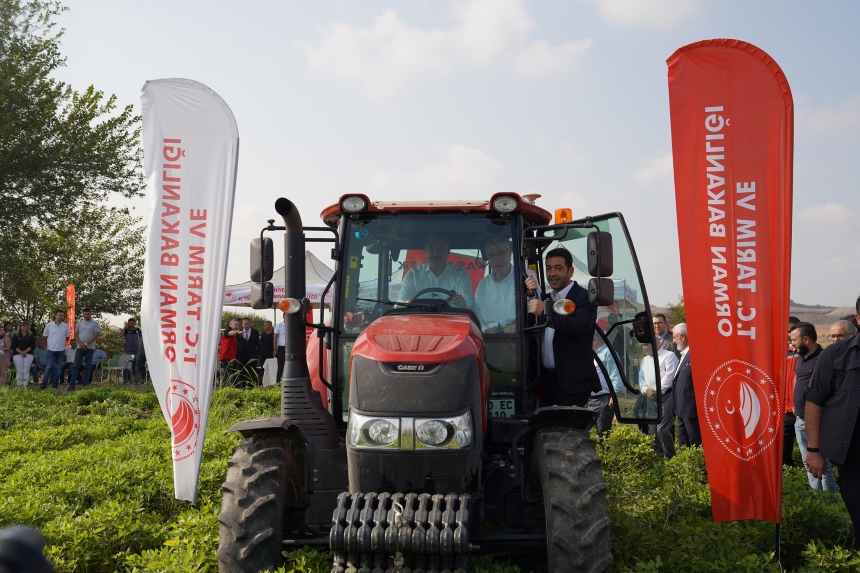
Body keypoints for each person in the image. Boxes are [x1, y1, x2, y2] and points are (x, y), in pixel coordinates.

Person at [805, 295, 860, 548]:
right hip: (852, 458)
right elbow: (814, 402)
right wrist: (814, 451)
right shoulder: (836, 355)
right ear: (858, 319)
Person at [524, 248, 600, 407]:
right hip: (545, 381)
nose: (552, 273)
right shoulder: (545, 299)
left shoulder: (584, 297)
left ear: (570, 271)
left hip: (572, 384)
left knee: (564, 431)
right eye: (549, 268)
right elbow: (530, 328)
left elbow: (581, 327)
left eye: (558, 268)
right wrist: (531, 296)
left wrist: (545, 314)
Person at [790, 321, 837, 492]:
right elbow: (798, 378)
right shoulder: (801, 358)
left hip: (818, 421)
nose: (792, 344)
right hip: (800, 420)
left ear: (806, 339)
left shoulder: (824, 359)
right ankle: (817, 498)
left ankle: (830, 502)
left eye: (794, 340)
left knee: (822, 464)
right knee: (807, 461)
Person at [473, 238, 534, 333]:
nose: (497, 259)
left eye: (501, 253)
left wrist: (519, 325)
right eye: (492, 255)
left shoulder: (526, 276)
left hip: (520, 336)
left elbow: (535, 308)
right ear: (488, 258)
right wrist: (486, 330)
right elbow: (477, 313)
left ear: (510, 254)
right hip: (490, 339)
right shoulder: (483, 285)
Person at [398, 234, 474, 308]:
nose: (435, 254)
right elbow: (400, 303)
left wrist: (463, 302)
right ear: (425, 251)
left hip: (451, 320)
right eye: (431, 249)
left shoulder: (460, 274)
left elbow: (468, 302)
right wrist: (406, 303)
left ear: (448, 251)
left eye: (440, 249)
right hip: (419, 319)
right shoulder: (413, 275)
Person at [641, 340, 679, 459]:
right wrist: (646, 390)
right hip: (651, 399)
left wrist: (655, 390)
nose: (644, 348)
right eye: (643, 345)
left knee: (662, 429)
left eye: (646, 344)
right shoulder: (645, 360)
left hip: (666, 397)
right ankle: (658, 458)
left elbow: (670, 376)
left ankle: (669, 457)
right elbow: (641, 378)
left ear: (656, 343)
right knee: (652, 431)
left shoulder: (669, 356)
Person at [672, 323, 701, 447]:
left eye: (674, 337)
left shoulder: (694, 355)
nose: (673, 341)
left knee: (695, 444)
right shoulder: (683, 355)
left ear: (682, 337)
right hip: (681, 408)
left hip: (690, 410)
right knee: (683, 444)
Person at [588, 339, 623, 436]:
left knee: (602, 433)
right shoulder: (590, 353)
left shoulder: (608, 353)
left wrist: (614, 395)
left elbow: (615, 374)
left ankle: (604, 450)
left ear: (595, 340)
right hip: (589, 399)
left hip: (604, 400)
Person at [69, 308, 100, 390]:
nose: (87, 316)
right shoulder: (79, 323)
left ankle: (86, 384)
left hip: (90, 348)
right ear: (83, 314)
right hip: (80, 347)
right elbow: (75, 335)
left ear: (91, 314)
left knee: (88, 366)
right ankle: (72, 384)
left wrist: (86, 344)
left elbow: (95, 336)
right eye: (85, 314)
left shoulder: (95, 324)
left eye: (88, 314)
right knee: (76, 365)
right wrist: (81, 344)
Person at [42, 310, 70, 389]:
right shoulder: (49, 325)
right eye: (59, 315)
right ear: (55, 315)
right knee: (48, 367)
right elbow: (45, 337)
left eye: (62, 316)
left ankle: (55, 385)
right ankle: (43, 385)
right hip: (51, 349)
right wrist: (51, 342)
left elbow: (67, 337)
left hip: (61, 349)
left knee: (58, 368)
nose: (61, 317)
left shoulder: (65, 326)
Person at [235, 317, 261, 388]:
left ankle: (250, 388)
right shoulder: (238, 332)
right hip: (241, 356)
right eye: (245, 324)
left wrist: (257, 354)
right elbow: (236, 344)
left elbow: (258, 344)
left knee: (251, 373)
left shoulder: (255, 332)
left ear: (250, 324)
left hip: (252, 356)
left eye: (248, 323)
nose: (246, 325)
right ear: (242, 324)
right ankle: (242, 387)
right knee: (242, 372)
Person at [11, 323, 35, 388]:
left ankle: (24, 386)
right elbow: (14, 345)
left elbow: (32, 345)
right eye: (23, 326)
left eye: (26, 326)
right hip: (17, 354)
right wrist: (21, 352)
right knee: (19, 370)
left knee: (26, 370)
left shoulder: (31, 335)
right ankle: (18, 385)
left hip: (28, 354)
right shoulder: (16, 335)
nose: (25, 327)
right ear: (20, 327)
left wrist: (25, 352)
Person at [121, 318, 142, 383]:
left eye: (132, 323)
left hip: (136, 351)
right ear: (128, 323)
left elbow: (141, 338)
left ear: (134, 323)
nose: (131, 324)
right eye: (130, 323)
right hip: (128, 351)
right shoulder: (126, 330)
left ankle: (135, 379)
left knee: (134, 366)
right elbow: (120, 335)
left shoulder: (137, 330)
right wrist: (125, 327)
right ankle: (125, 379)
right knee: (126, 366)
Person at [219, 319, 240, 384]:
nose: (237, 326)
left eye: (238, 325)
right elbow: (229, 333)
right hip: (227, 357)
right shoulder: (227, 330)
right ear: (231, 324)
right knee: (227, 374)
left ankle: (237, 387)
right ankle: (223, 388)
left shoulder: (234, 333)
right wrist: (237, 332)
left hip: (233, 357)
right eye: (235, 325)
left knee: (236, 373)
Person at [274, 312, 287, 382]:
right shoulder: (279, 325)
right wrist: (275, 349)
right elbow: (275, 338)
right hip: (282, 348)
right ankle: (278, 384)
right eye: (286, 316)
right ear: (283, 317)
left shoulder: (293, 325)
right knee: (281, 367)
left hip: (291, 349)